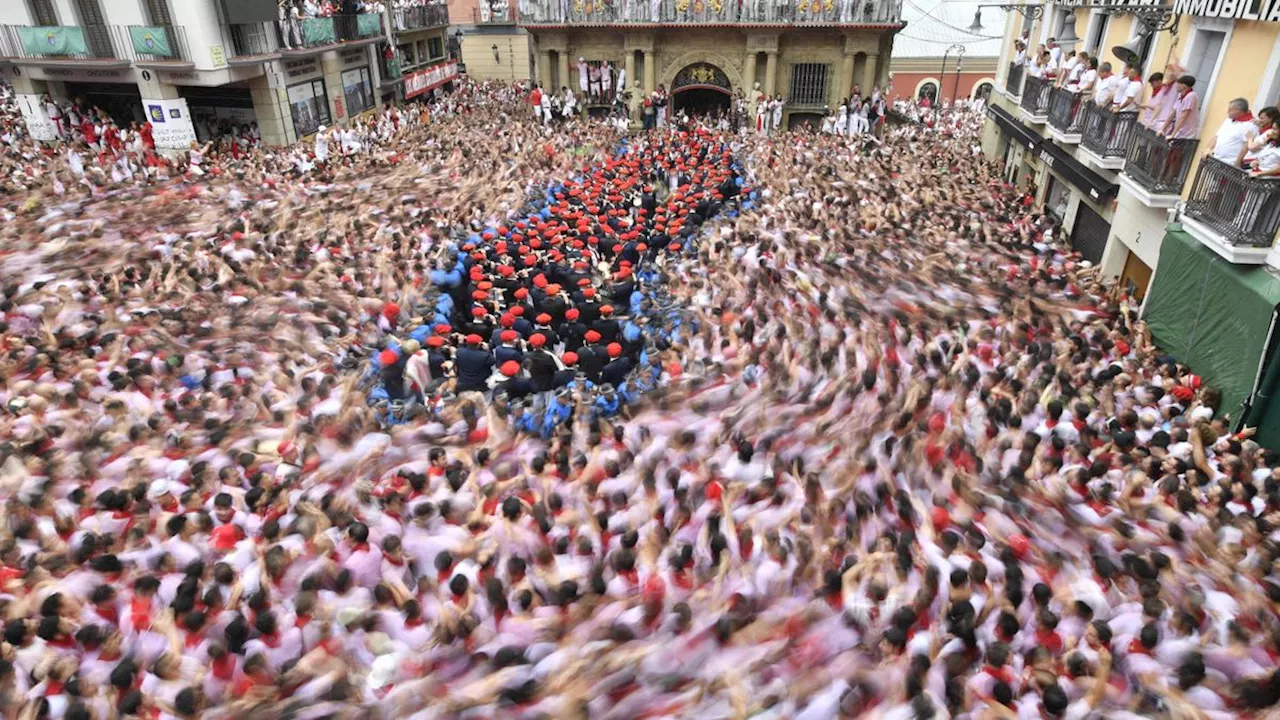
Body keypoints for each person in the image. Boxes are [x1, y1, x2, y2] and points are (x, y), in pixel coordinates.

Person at [1209, 97, 1257, 167]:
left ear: (1239, 111)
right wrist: (1208, 149)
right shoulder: (1228, 120)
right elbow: (1217, 136)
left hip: (1230, 163)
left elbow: (1246, 146)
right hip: (1217, 159)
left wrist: (1237, 162)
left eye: (1230, 110)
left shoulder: (1250, 125)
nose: (1227, 112)